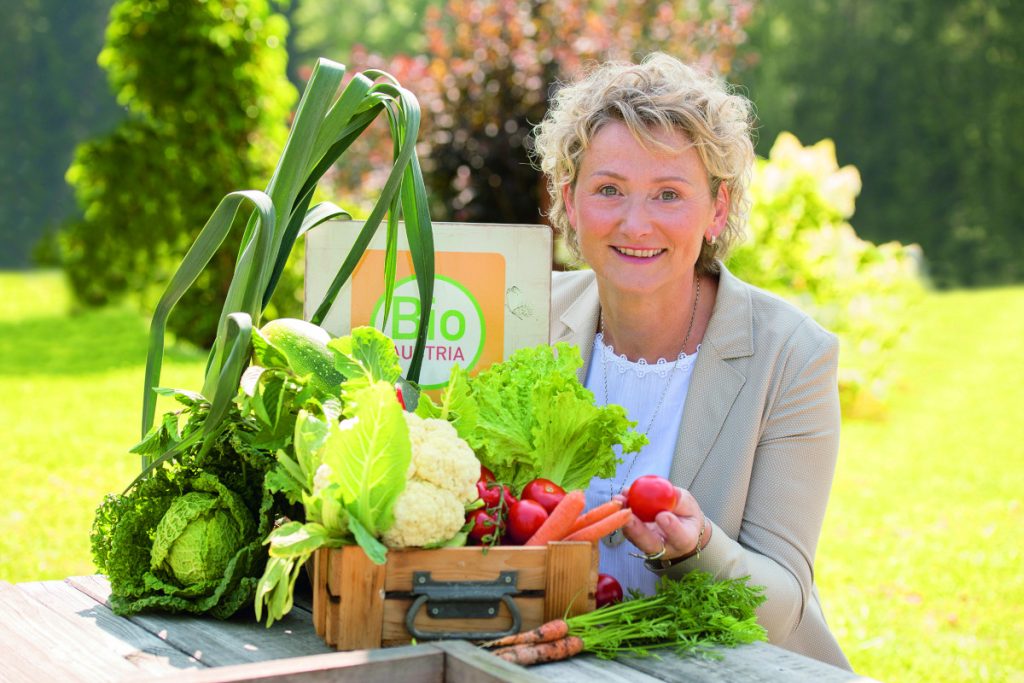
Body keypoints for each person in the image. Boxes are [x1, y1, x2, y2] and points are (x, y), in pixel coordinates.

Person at [533, 53, 851, 670]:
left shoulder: (792, 355)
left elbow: (782, 604)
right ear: (569, 202)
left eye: (669, 194)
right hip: (550, 658)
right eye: (608, 190)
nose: (636, 222)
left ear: (718, 210)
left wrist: (697, 547)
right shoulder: (524, 314)